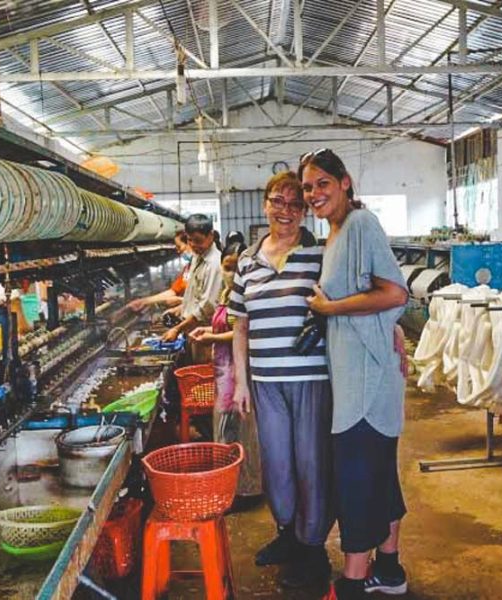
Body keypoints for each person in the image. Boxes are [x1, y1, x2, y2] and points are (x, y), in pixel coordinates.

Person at [299, 149, 409, 600]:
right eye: (308, 187)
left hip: (366, 380)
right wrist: (390, 328)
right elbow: (379, 300)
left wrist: (330, 309)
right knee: (379, 476)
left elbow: (395, 291)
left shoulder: (361, 224)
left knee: (357, 482)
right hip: (359, 374)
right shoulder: (335, 233)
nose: (313, 194)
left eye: (322, 183)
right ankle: (389, 570)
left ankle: (352, 584)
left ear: (345, 183)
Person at [229, 171, 333, 589]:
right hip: (265, 380)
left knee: (311, 463)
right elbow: (240, 326)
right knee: (276, 466)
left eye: (295, 204)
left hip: (311, 378)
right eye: (278, 201)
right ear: (265, 203)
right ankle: (288, 535)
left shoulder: (321, 254)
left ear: (305, 210)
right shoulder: (246, 262)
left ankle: (313, 548)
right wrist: (241, 382)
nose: (285, 211)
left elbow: (346, 303)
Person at [189, 241, 262, 500]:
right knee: (225, 430)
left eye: (234, 268)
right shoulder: (225, 294)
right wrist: (206, 331)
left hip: (236, 371)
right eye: (226, 267)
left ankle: (244, 489)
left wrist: (212, 339)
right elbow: (223, 327)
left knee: (237, 432)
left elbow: (242, 333)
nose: (229, 273)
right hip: (223, 371)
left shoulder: (245, 297)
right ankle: (228, 485)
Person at [160, 214, 222, 344]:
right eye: (189, 240)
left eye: (198, 240)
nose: (193, 245)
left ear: (210, 236)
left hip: (205, 334)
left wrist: (177, 329)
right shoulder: (197, 257)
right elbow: (194, 295)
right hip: (193, 330)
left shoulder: (214, 264)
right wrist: (181, 308)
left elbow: (206, 307)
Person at [128, 230, 191, 313]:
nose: (178, 251)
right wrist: (144, 301)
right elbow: (173, 291)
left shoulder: (207, 266)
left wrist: (181, 301)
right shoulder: (188, 268)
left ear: (190, 244)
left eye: (179, 247)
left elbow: (208, 301)